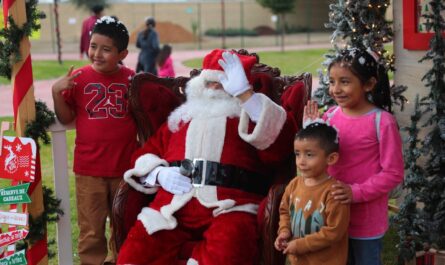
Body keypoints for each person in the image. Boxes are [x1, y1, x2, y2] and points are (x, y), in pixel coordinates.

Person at [116, 49, 297, 264]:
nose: (212, 87)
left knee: (229, 245)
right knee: (136, 253)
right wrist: (159, 173)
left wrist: (246, 96)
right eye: (208, 82)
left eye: (220, 83)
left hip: (230, 208)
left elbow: (284, 145)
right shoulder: (180, 120)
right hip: (172, 208)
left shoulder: (251, 116)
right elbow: (145, 153)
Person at [304, 47, 404, 265]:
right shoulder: (329, 116)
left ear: (368, 84)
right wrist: (312, 130)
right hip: (330, 217)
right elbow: (317, 160)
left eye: (345, 82)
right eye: (331, 82)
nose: (336, 89)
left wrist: (355, 192)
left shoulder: (382, 122)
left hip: (365, 222)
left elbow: (393, 173)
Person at [52, 16, 138, 265]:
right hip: (89, 170)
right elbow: (66, 116)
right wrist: (58, 92)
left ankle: (123, 261)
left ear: (122, 53)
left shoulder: (132, 80)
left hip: (125, 170)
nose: (97, 53)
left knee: (124, 227)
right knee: (91, 230)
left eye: (106, 49)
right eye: (93, 46)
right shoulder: (78, 78)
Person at [275, 121, 350, 265]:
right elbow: (284, 211)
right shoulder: (294, 184)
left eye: (309, 155)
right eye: (297, 154)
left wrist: (300, 245)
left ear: (331, 158)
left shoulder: (334, 193)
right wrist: (284, 231)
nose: (301, 161)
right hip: (298, 260)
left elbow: (334, 232)